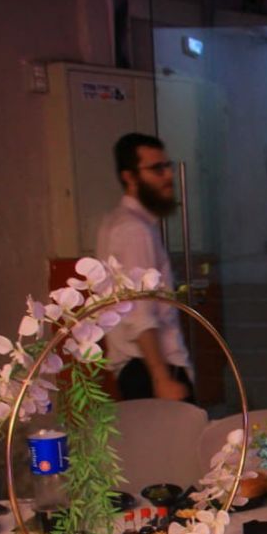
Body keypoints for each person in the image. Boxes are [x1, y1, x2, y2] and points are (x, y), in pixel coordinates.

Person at [96, 133, 194, 402]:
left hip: (141, 368)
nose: (168, 176)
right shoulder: (133, 230)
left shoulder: (121, 222)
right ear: (130, 176)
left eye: (167, 166)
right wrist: (161, 378)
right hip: (149, 368)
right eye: (156, 169)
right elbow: (139, 311)